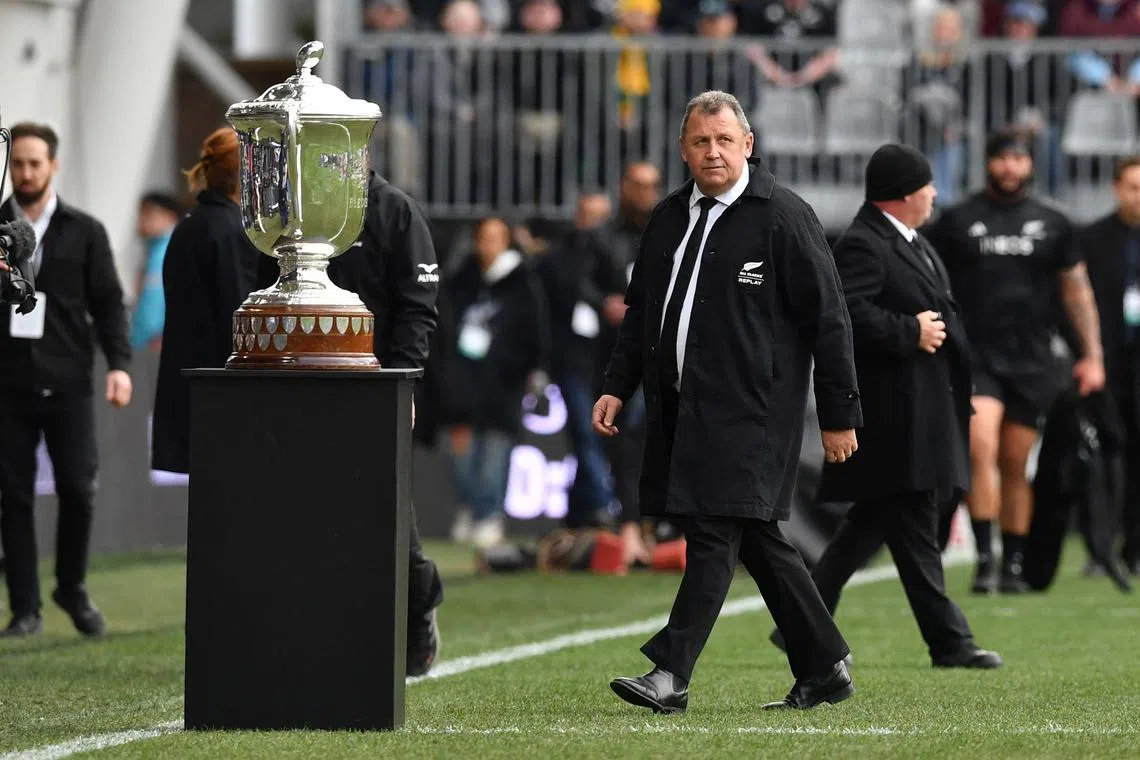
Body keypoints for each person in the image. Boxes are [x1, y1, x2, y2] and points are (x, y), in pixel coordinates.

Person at [595, 90, 862, 714]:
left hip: (756, 412)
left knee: (713, 532)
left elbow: (831, 321)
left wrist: (840, 413)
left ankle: (670, 673)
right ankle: (824, 666)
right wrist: (616, 384)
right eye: (700, 141)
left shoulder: (785, 217)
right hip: (681, 407)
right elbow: (642, 314)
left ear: (748, 144)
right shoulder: (668, 217)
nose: (712, 152)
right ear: (683, 150)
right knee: (758, 538)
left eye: (723, 140)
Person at [772, 144, 1002, 669]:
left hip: (920, 411)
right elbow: (844, 314)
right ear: (902, 194)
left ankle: (797, 625)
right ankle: (951, 642)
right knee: (915, 532)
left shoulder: (910, 240)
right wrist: (908, 331)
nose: (934, 193)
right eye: (926, 185)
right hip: (896, 417)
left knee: (867, 528)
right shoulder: (863, 244)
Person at [925, 128, 1105, 594]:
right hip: (976, 358)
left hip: (1032, 360)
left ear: (1030, 164)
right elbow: (928, 281)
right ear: (988, 162)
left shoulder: (1053, 222)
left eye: (1018, 159)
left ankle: (1013, 562)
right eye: (1002, 158)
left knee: (1014, 461)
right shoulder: (958, 219)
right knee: (980, 446)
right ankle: (984, 560)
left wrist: (1092, 355)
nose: (1010, 167)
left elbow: (1077, 292)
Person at [0, 122, 133, 637]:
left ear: (53, 165)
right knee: (12, 497)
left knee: (78, 487)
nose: (26, 173)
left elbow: (109, 304)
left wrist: (119, 365)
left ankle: (71, 587)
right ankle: (25, 608)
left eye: (35, 163)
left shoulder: (85, 230)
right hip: (8, 383)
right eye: (18, 163)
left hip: (69, 381)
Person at [321, 168, 445, 677]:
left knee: (388, 509)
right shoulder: (300, 209)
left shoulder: (395, 211)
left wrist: (403, 381)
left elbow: (418, 307)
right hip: (306, 380)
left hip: (377, 382)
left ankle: (418, 606)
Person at [152, 127, 262, 476]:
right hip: (227, 394)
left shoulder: (189, 227)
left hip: (192, 388)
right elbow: (238, 313)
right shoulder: (231, 232)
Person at [1081, 155, 1140, 577]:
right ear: (1117, 189)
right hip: (1106, 362)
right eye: (1133, 187)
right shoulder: (1093, 239)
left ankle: (1134, 547)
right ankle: (1100, 548)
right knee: (1103, 457)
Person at [130, 192, 182, 351]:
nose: (142, 220)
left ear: (170, 217)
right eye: (142, 214)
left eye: (150, 214)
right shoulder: (152, 252)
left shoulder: (175, 250)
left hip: (160, 343)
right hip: (143, 342)